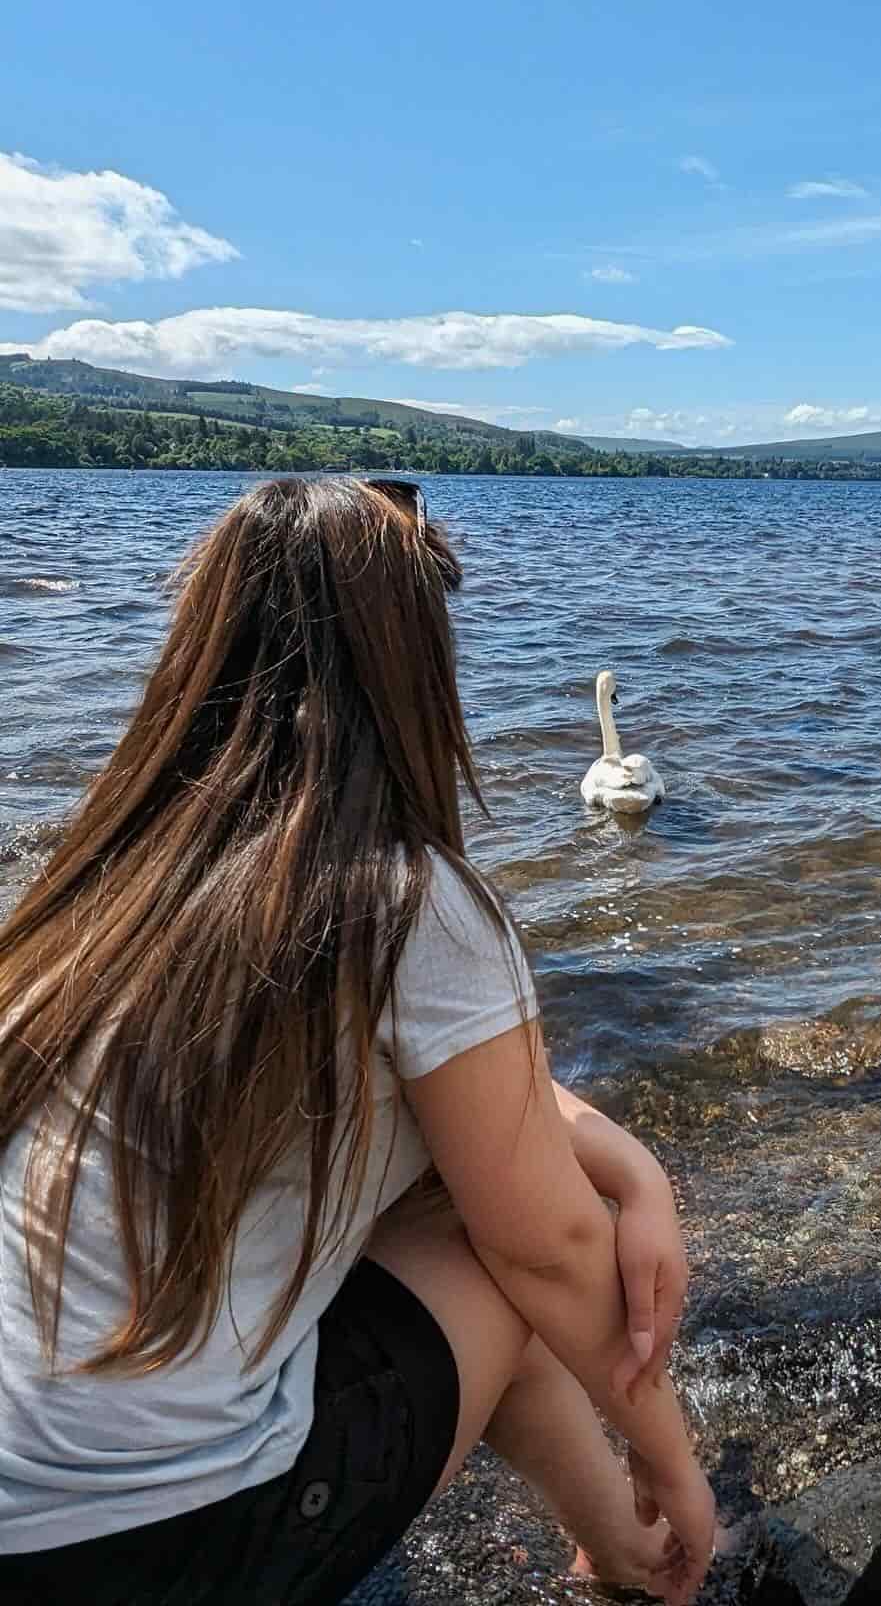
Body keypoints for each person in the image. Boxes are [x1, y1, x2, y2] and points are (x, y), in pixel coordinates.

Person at [0, 477, 716, 1605]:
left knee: (469, 1178)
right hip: (156, 1553)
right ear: (409, 665)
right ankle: (642, 1544)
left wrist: (625, 1156)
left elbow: (473, 1097)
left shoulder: (114, 877)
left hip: (26, 1509)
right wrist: (677, 1466)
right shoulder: (405, 900)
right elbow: (550, 1250)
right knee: (492, 1231)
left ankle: (615, 1546)